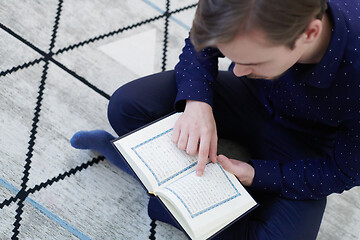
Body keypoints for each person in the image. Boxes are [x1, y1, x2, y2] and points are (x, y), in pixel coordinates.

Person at [70, 0, 360, 239]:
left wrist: (257, 175)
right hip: (245, 96)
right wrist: (198, 104)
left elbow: (343, 171)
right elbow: (201, 42)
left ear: (309, 33)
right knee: (126, 107)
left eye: (254, 61)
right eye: (235, 57)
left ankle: (152, 177)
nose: (236, 69)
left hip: (304, 143)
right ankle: (191, 193)